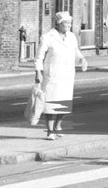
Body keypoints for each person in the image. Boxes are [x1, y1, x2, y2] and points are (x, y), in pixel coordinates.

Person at [34, 11, 88, 139]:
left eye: (70, 22)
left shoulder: (71, 37)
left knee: (64, 105)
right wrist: (38, 72)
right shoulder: (48, 37)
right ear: (58, 24)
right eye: (66, 23)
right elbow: (39, 57)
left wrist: (82, 59)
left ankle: (58, 126)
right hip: (52, 75)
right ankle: (50, 131)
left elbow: (76, 52)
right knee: (50, 105)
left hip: (67, 75)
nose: (69, 25)